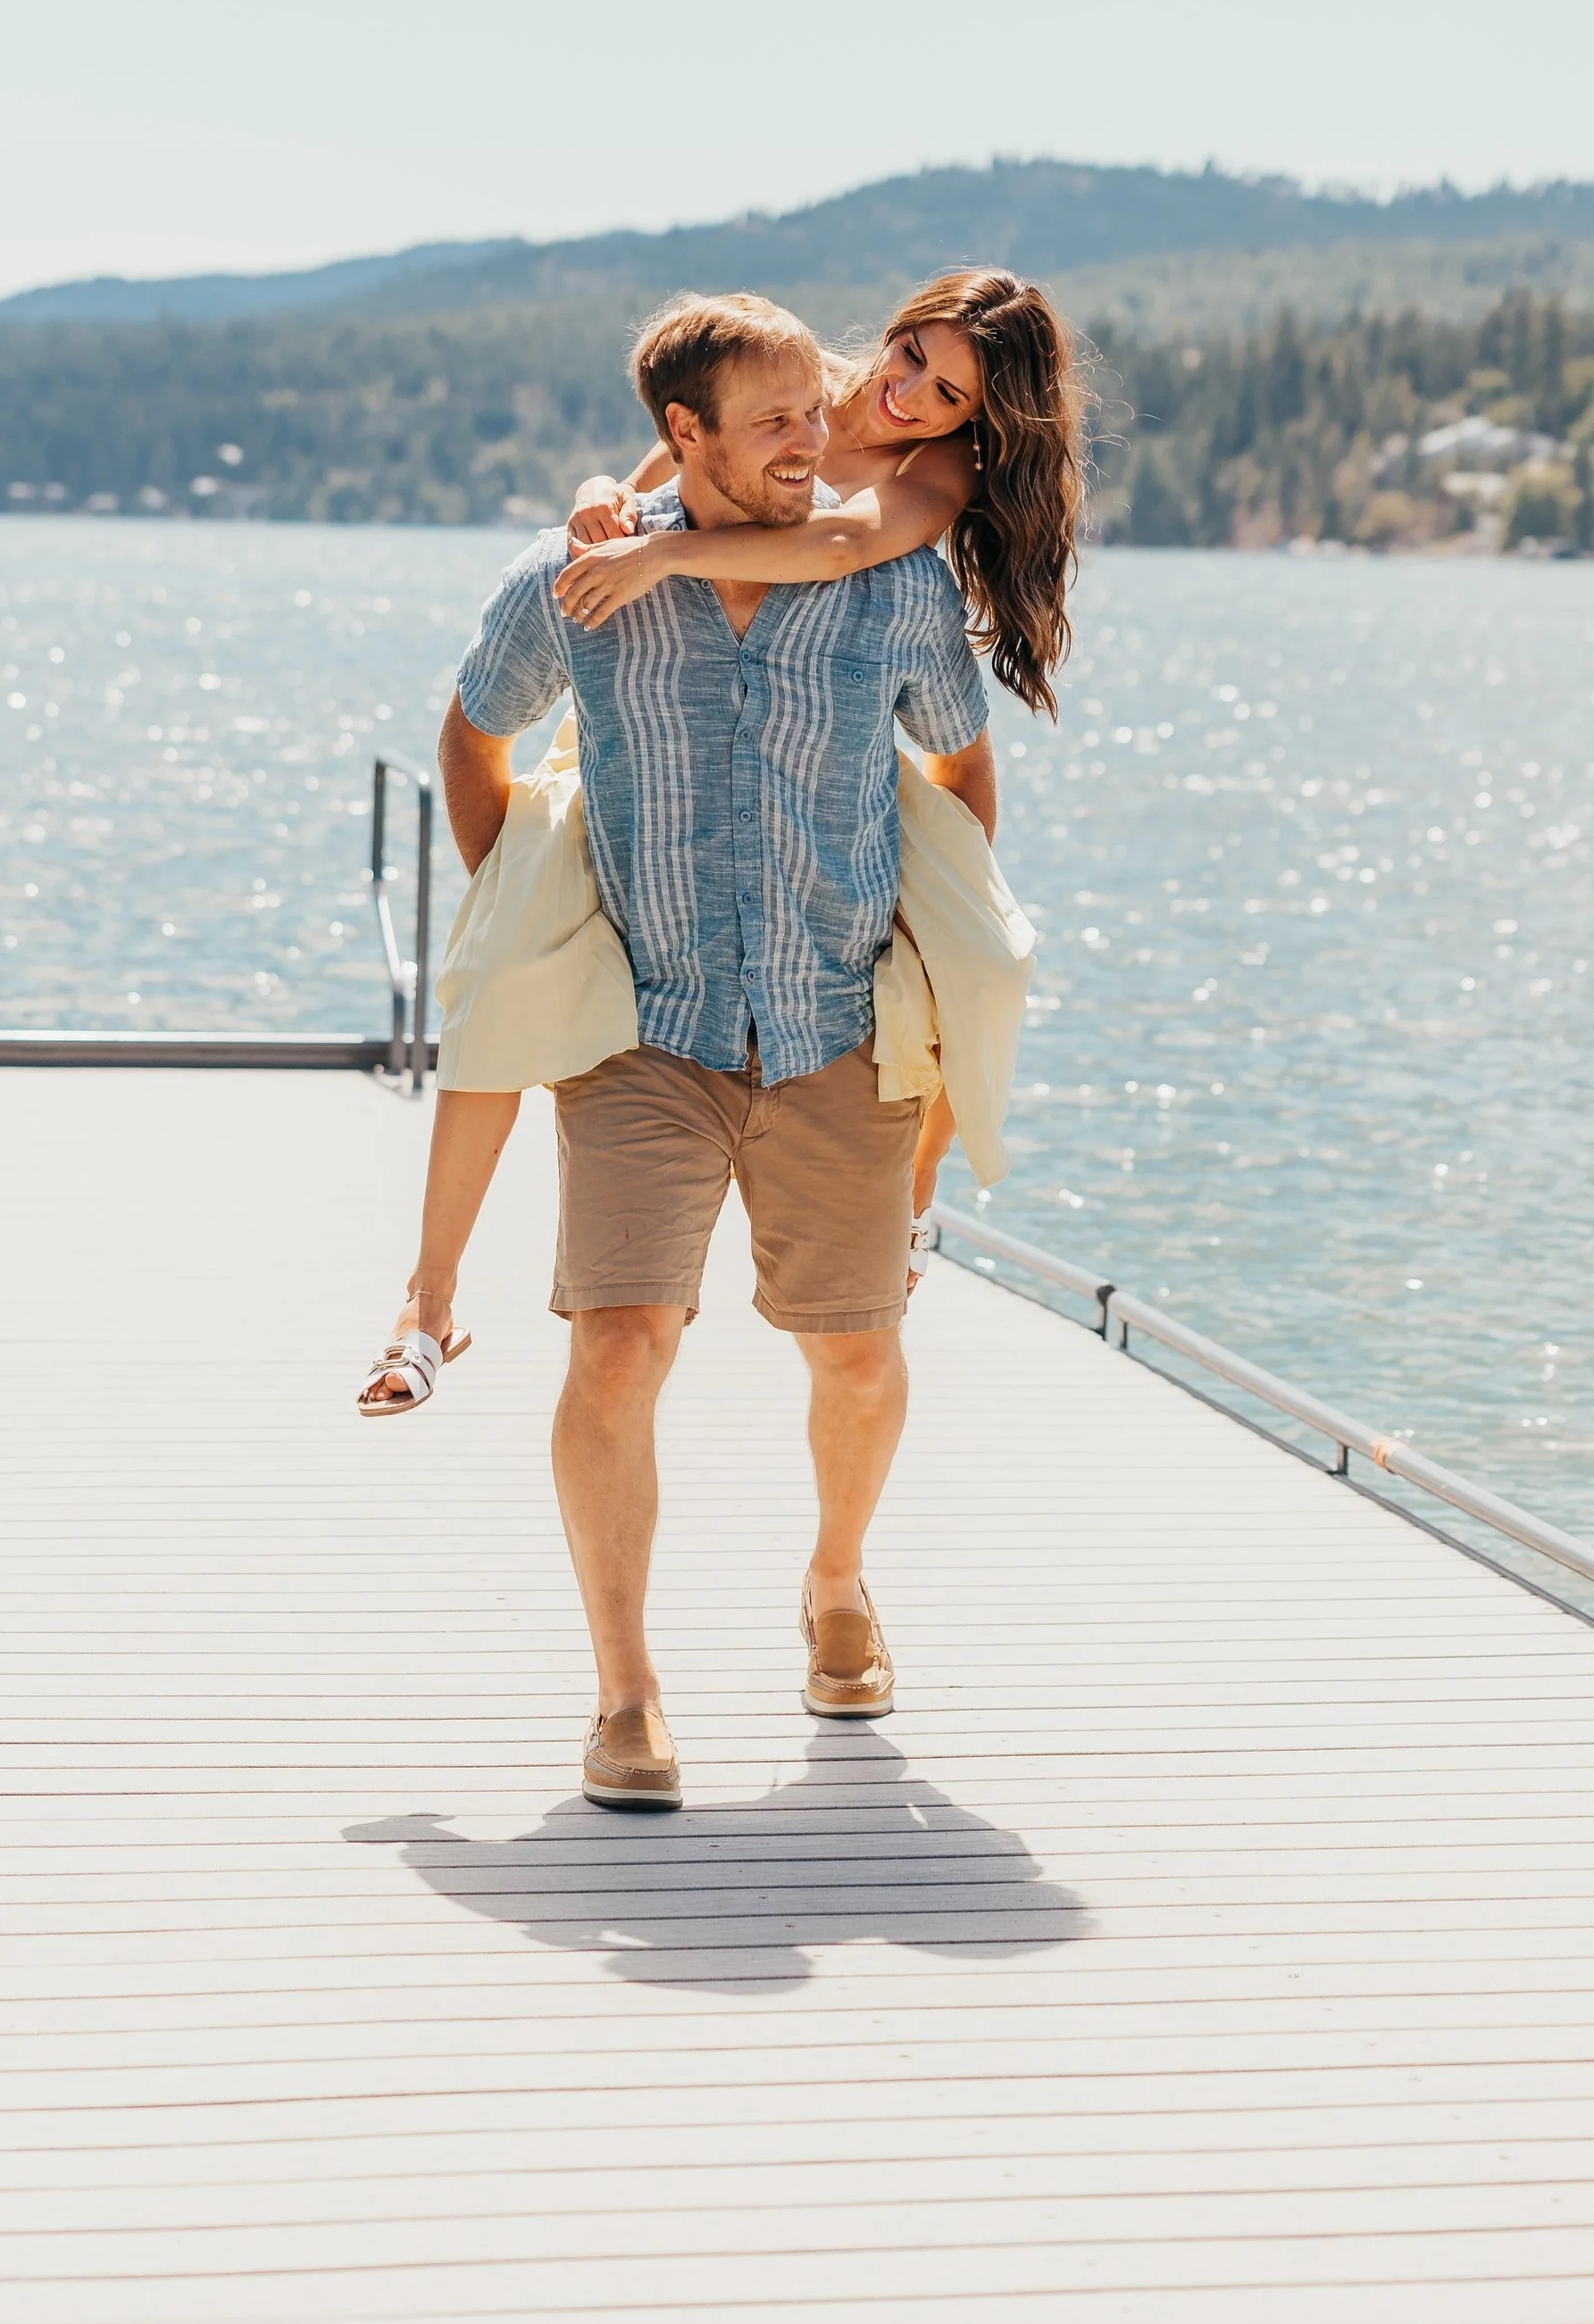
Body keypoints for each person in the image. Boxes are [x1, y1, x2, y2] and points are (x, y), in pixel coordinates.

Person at [415, 290, 1013, 1811]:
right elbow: (473, 736)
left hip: (831, 1023)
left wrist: (935, 961)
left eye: (823, 408)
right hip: (647, 1032)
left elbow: (959, 764)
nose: (821, 441)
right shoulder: (580, 578)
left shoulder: (895, 581)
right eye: (778, 420)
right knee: (619, 1345)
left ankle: (834, 1580)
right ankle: (625, 1693)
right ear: (683, 436)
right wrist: (530, 914)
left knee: (858, 1355)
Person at [359, 264, 1085, 1410]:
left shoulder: (933, 472)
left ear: (973, 423)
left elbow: (844, 550)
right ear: (892, 333)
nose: (907, 397)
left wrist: (662, 558)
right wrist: (607, 499)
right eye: (911, 358)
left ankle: (918, 1189)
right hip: (645, 744)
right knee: (499, 969)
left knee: (982, 966)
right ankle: (427, 1296)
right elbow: (649, 474)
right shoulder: (795, 386)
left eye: (946, 394)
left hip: (829, 752)